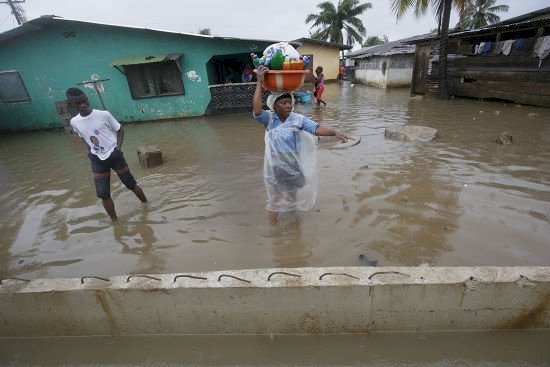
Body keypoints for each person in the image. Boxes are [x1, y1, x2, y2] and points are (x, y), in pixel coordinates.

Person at [253, 65, 353, 224]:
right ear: (274, 106)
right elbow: (257, 111)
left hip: (293, 165)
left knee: (293, 195)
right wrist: (259, 82)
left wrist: (335, 132)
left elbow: (315, 128)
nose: (288, 106)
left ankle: (294, 223)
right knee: (275, 201)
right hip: (276, 168)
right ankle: (274, 232)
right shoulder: (270, 120)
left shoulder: (297, 119)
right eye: (283, 103)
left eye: (289, 102)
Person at [66, 87, 147, 222]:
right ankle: (115, 222)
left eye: (85, 101)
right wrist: (88, 152)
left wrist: (118, 149)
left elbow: (120, 129)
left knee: (130, 184)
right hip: (96, 159)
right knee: (103, 194)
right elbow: (82, 137)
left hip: (114, 155)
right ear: (71, 105)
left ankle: (146, 205)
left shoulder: (103, 115)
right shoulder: (74, 122)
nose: (83, 105)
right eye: (78, 103)